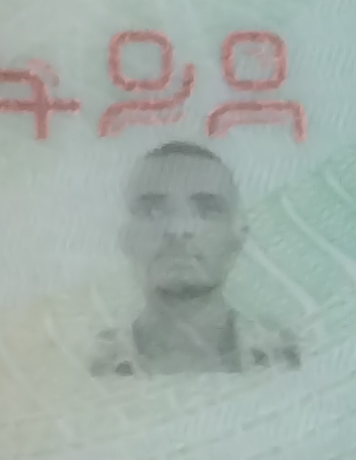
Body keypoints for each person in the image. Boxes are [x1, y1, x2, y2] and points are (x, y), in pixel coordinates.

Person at [91, 139, 298, 377]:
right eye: (153, 211)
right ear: (125, 237)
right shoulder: (84, 364)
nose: (179, 229)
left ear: (238, 236)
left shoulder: (287, 357)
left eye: (207, 211)